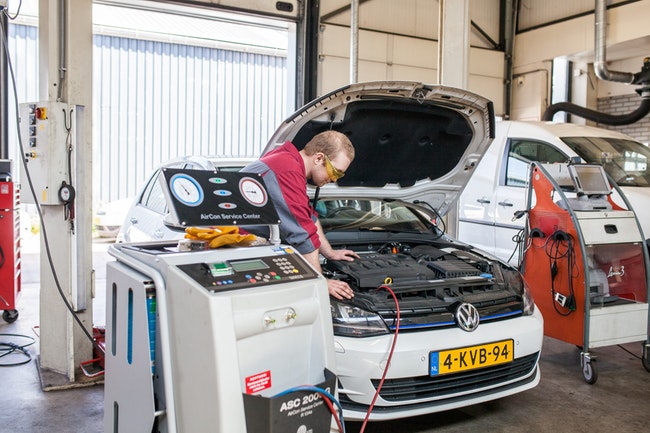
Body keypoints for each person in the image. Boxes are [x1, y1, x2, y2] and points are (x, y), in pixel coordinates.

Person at [243, 130, 359, 300]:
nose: (335, 179)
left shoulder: (290, 163)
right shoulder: (286, 170)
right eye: (335, 172)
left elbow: (308, 217)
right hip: (225, 244)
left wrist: (330, 253)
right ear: (318, 158)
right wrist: (321, 281)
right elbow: (302, 233)